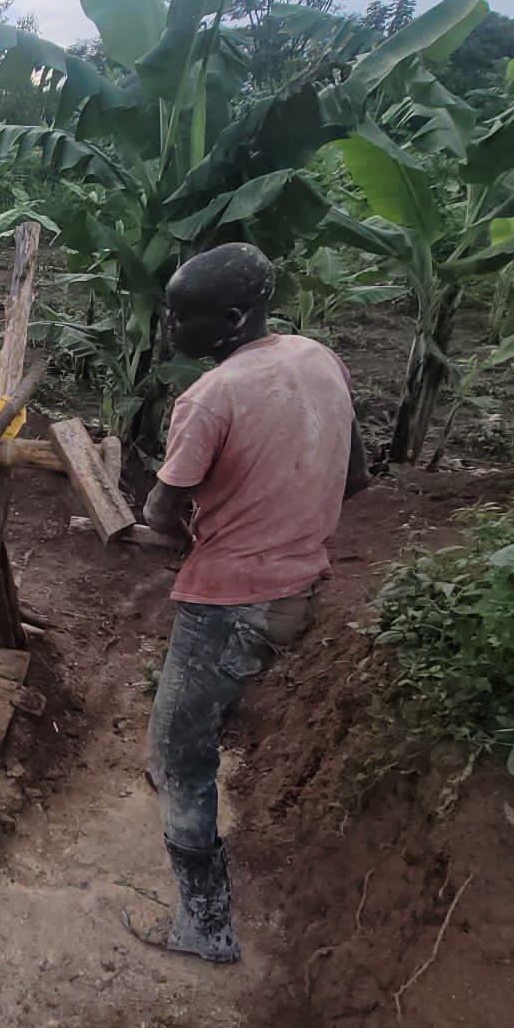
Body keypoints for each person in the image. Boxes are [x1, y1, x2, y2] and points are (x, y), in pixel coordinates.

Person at [135, 243, 368, 965]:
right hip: (299, 584)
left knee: (179, 751)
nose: (170, 327)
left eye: (182, 317)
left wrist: (185, 521)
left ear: (232, 319)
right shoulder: (317, 357)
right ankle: (187, 760)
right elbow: (357, 475)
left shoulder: (210, 396)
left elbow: (161, 513)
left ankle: (205, 926)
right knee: (202, 712)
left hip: (231, 602)